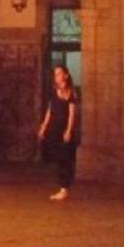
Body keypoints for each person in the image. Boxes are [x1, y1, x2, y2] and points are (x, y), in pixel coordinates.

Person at [38, 65, 80, 201]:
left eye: (59, 74)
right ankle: (63, 186)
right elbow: (49, 111)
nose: (57, 77)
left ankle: (64, 187)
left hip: (63, 129)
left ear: (66, 75)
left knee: (65, 157)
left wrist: (68, 130)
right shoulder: (53, 92)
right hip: (53, 128)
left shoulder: (71, 93)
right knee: (58, 157)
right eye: (55, 74)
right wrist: (44, 126)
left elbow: (72, 114)